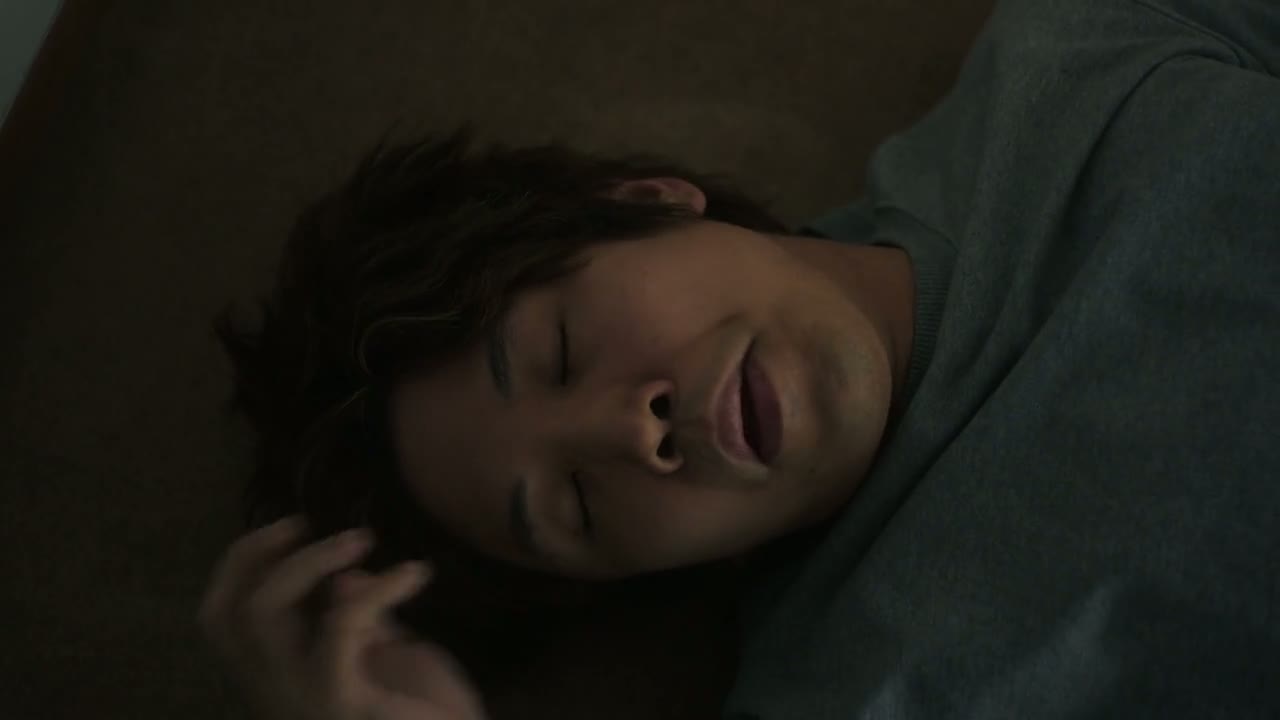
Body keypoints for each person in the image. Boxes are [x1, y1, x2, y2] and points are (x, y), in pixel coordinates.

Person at [198, 0, 1280, 717]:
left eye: (561, 351)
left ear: (645, 201)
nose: (630, 431)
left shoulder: (1085, 55)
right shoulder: (848, 688)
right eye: (575, 506)